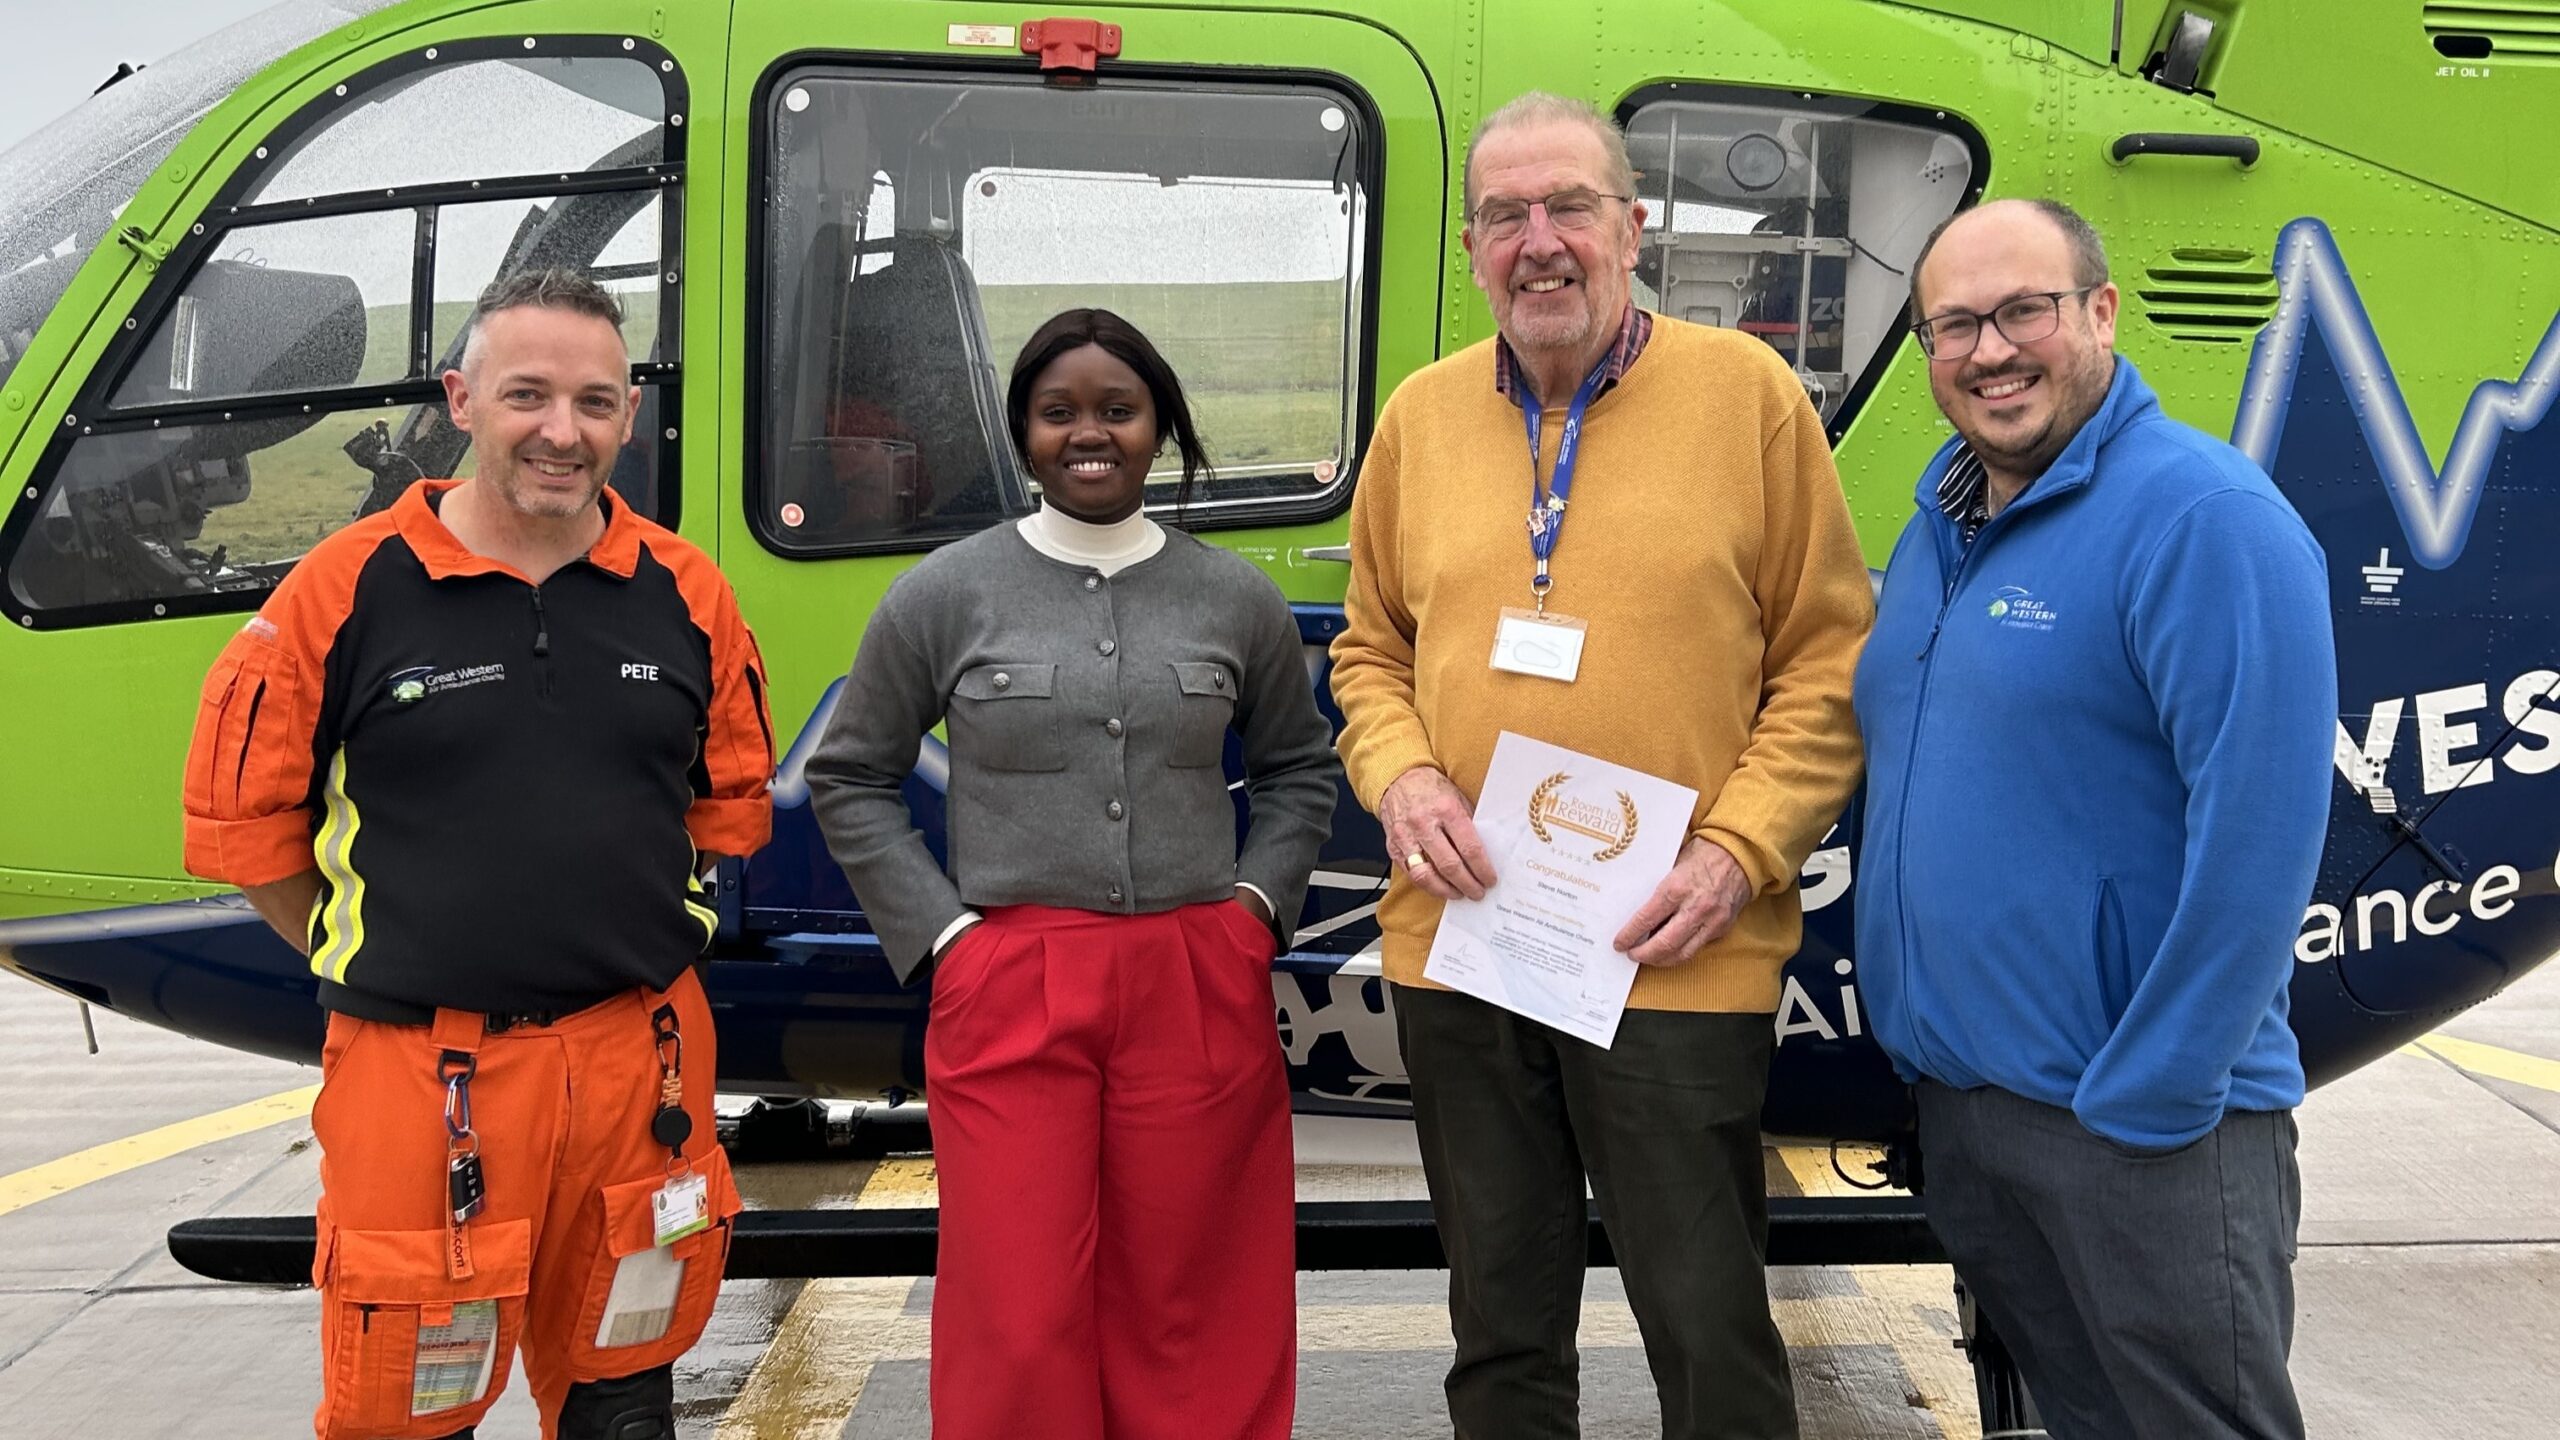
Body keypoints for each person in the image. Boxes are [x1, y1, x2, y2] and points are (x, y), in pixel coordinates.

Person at [1328, 92, 1872, 1440]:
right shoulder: (1422, 415)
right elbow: (1368, 653)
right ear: (1472, 251)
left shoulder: (1746, 396)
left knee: (1705, 1322)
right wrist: (1400, 777)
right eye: (1507, 216)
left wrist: (1736, 853)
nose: (1542, 241)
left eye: (1570, 206)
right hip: (1467, 942)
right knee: (1500, 1325)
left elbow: (1827, 662)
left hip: (1673, 945)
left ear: (1633, 229)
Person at [179, 268, 774, 1440]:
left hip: (640, 1066)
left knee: (627, 1374)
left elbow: (723, 809)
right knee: (409, 1399)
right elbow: (252, 837)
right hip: (423, 1079)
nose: (564, 432)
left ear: (629, 418)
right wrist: (406, 951)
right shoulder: (341, 592)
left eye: (596, 402)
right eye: (528, 395)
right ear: (461, 399)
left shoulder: (688, 593)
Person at [804, 308, 1340, 1440]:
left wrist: (1254, 912)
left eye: (1116, 410)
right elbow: (850, 777)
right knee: (1020, 1298)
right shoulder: (944, 593)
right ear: (1024, 434)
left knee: (1193, 1291)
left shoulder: (1230, 597)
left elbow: (1299, 771)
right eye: (1059, 414)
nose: (1087, 434)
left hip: (1196, 977)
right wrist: (945, 940)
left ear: (1159, 430)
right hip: (1009, 978)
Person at [1853, 198, 2336, 1440]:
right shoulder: (1937, 532)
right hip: (1971, 1110)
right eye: (1953, 325)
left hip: (2140, 1132)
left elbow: (2262, 835)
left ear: (2100, 313)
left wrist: (2161, 1085)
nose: (1990, 350)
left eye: (2024, 311)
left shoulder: (2203, 520)